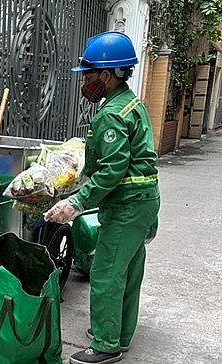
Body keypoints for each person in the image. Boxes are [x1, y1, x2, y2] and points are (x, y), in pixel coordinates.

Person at [44, 31, 160, 364]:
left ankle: (107, 346)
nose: (87, 82)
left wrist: (75, 202)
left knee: (108, 273)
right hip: (144, 200)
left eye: (90, 74)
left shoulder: (110, 114)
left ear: (107, 75)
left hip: (127, 205)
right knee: (129, 270)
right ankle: (119, 335)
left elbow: (112, 169)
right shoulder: (129, 102)